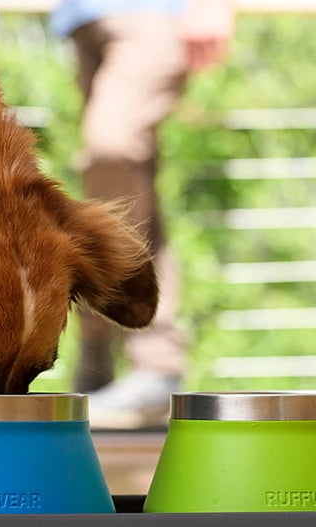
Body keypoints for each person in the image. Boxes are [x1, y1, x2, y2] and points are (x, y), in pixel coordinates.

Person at [51, 0, 236, 428]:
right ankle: (119, 364)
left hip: (156, 15)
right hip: (82, 18)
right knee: (128, 189)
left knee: (110, 149)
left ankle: (146, 359)